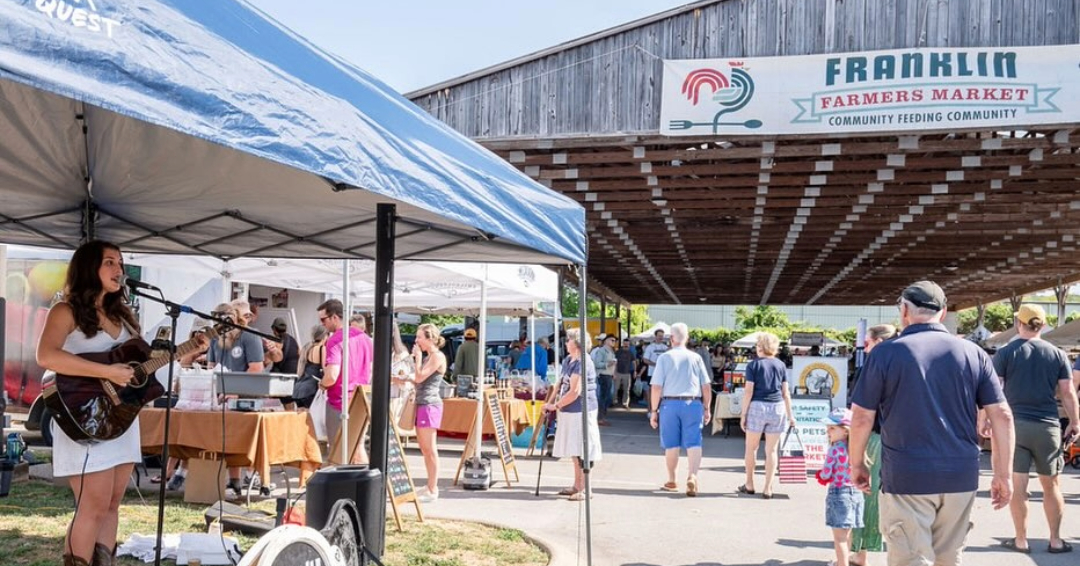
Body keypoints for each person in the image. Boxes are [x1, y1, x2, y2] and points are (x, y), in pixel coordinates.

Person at [37, 241, 205, 566]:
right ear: (89, 268)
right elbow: (46, 356)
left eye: (121, 263)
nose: (119, 270)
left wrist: (188, 348)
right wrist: (106, 372)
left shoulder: (123, 315)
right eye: (110, 262)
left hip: (120, 419)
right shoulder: (66, 310)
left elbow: (140, 366)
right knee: (93, 505)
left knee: (113, 503)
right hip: (85, 418)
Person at [850, 281, 1014, 566]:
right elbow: (1002, 415)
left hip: (907, 474)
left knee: (911, 559)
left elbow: (863, 416)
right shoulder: (973, 353)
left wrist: (856, 463)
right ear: (944, 312)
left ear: (904, 311)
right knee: (948, 559)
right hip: (960, 474)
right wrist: (1004, 474)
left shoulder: (885, 354)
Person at [991, 303, 1078, 554]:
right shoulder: (1057, 354)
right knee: (1051, 485)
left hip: (1014, 426)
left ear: (1019, 322)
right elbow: (1068, 392)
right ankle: (1055, 540)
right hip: (1048, 426)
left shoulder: (1005, 353)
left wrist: (986, 420)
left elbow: (995, 391)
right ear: (1043, 325)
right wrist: (1075, 421)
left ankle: (1021, 540)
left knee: (1019, 486)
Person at [849, 323, 896, 566]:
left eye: (866, 344)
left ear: (878, 342)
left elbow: (859, 415)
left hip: (874, 437)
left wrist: (854, 459)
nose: (864, 349)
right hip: (903, 440)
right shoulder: (906, 364)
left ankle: (859, 554)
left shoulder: (869, 368)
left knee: (866, 495)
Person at [649, 322, 712, 496]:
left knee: (671, 445)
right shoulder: (696, 358)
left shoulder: (664, 358)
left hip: (669, 404)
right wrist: (707, 407)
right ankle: (692, 475)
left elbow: (656, 387)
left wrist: (654, 411)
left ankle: (672, 480)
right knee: (694, 442)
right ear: (687, 338)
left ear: (671, 338)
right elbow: (706, 386)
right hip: (693, 403)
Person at [544, 326, 602, 500]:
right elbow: (560, 383)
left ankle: (586, 489)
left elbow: (575, 391)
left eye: (569, 340)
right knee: (575, 449)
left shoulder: (583, 361)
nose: (566, 342)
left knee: (584, 448)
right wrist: (550, 402)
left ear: (577, 343)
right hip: (569, 410)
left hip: (581, 410)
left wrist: (556, 406)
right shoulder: (569, 360)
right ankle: (577, 485)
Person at [739, 331, 795, 499]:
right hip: (777, 407)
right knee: (771, 450)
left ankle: (749, 483)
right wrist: (791, 415)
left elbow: (748, 391)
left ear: (761, 347)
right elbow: (786, 393)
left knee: (751, 448)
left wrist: (743, 414)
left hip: (757, 406)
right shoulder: (781, 365)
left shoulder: (753, 365)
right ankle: (768, 487)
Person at [318, 299, 374, 463]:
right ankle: (364, 486)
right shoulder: (364, 338)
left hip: (339, 402)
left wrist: (321, 384)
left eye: (323, 320)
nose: (322, 324)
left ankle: (341, 487)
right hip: (361, 399)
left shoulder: (335, 340)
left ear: (334, 317)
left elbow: (331, 376)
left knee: (338, 450)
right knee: (358, 446)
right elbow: (372, 368)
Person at [814, 408, 864, 566]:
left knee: (839, 538)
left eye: (832, 428)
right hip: (856, 493)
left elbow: (826, 473)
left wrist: (820, 476)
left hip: (839, 493)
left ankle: (842, 564)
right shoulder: (857, 449)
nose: (828, 431)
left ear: (845, 431)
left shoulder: (835, 449)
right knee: (848, 533)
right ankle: (842, 561)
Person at [411, 323, 447, 502]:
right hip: (422, 403)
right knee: (425, 449)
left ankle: (433, 489)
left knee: (430, 449)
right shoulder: (429, 357)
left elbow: (419, 377)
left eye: (420, 337)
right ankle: (429, 485)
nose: (417, 341)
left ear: (430, 339)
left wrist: (417, 358)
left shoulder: (436, 356)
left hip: (430, 405)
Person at [294, 325, 328, 409]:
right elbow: (325, 369)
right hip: (311, 390)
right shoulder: (322, 349)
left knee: (302, 419)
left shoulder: (306, 347)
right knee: (313, 419)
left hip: (298, 389)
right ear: (325, 336)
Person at [591, 334, 617, 426]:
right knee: (604, 397)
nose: (614, 342)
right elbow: (597, 363)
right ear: (606, 341)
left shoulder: (611, 351)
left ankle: (602, 417)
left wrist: (614, 373)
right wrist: (608, 364)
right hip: (603, 375)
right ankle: (600, 418)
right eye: (612, 340)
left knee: (607, 397)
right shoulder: (602, 351)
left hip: (609, 375)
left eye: (614, 341)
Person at [614, 338, 636, 409]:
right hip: (618, 372)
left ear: (629, 344)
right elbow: (615, 362)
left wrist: (635, 371)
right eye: (625, 343)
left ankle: (625, 403)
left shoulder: (631, 353)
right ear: (623, 343)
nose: (626, 345)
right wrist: (614, 372)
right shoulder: (618, 352)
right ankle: (614, 401)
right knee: (615, 388)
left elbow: (634, 362)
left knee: (626, 389)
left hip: (627, 373)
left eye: (627, 344)